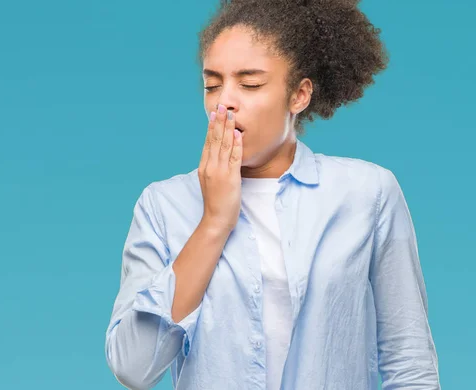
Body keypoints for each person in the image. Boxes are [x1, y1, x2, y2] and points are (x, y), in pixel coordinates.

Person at [105, 0, 440, 389]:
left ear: (299, 95)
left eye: (250, 84)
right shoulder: (163, 206)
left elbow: (409, 361)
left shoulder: (369, 193)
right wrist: (214, 223)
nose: (224, 101)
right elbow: (133, 367)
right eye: (212, 85)